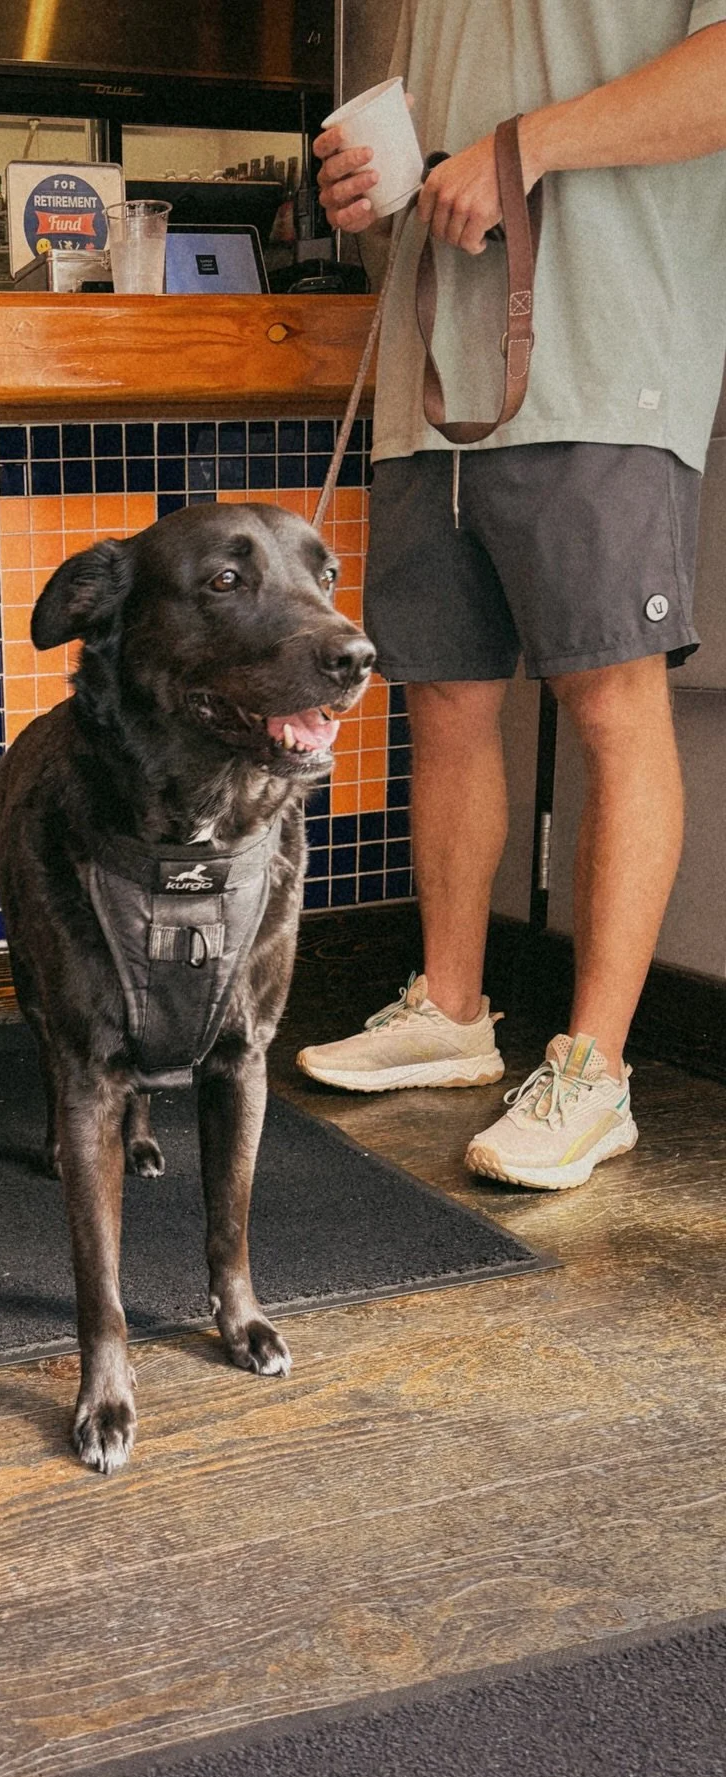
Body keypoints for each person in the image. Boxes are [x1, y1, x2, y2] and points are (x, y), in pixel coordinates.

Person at [296, 3, 726, 1189]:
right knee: (441, 697)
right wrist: (374, 173)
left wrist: (524, 145)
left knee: (609, 702)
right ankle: (449, 1005)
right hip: (431, 374)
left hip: (603, 359)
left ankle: (595, 1071)